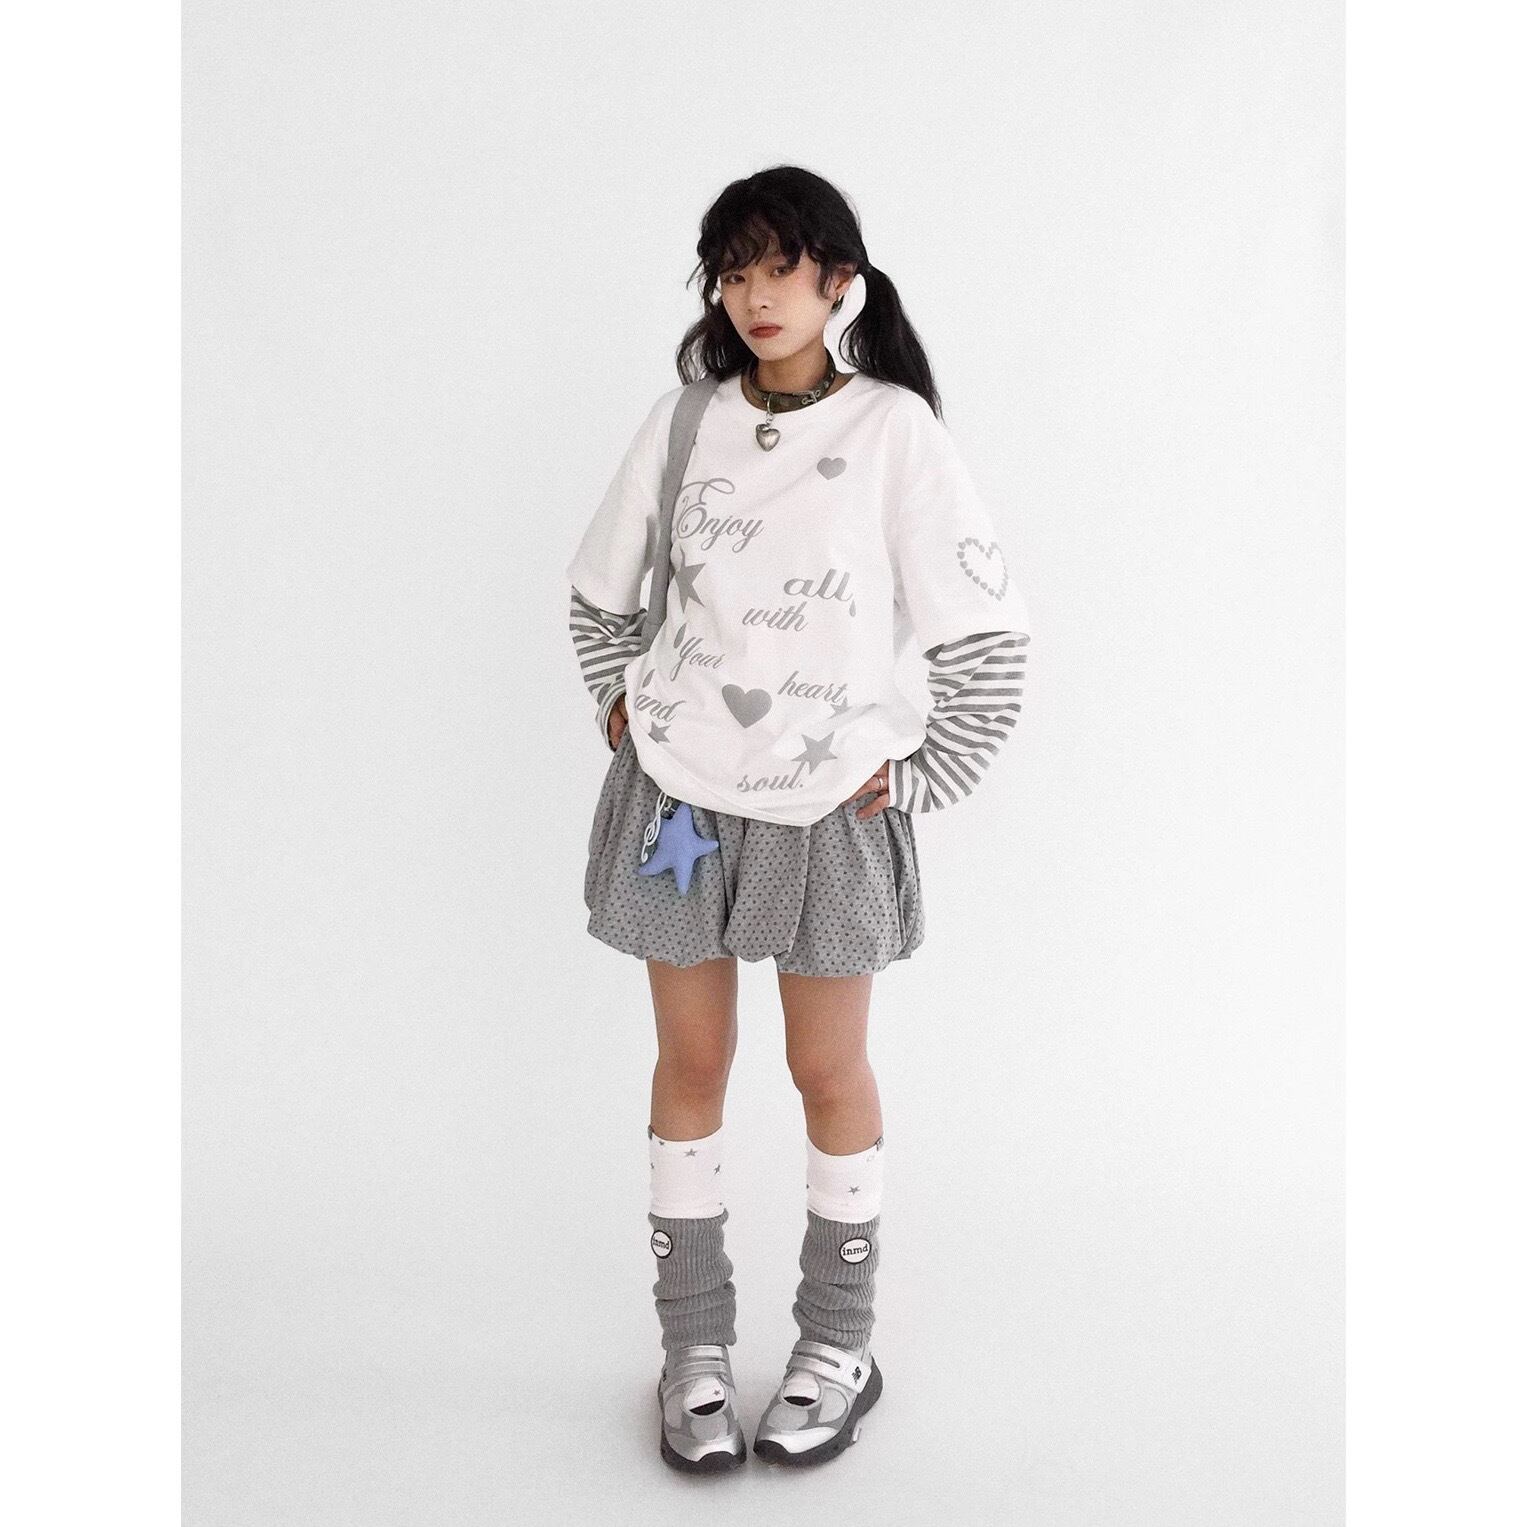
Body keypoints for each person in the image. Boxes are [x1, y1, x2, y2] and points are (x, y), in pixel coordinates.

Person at [564, 166, 1032, 1471]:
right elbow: (600, 594)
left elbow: (988, 638)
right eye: (732, 270)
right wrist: (622, 707)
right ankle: (695, 1348)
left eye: (780, 267)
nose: (754, 295)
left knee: (827, 1071)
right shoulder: (683, 423)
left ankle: (838, 1342)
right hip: (680, 803)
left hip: (829, 813)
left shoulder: (895, 432)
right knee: (691, 1066)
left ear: (841, 283)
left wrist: (926, 772)